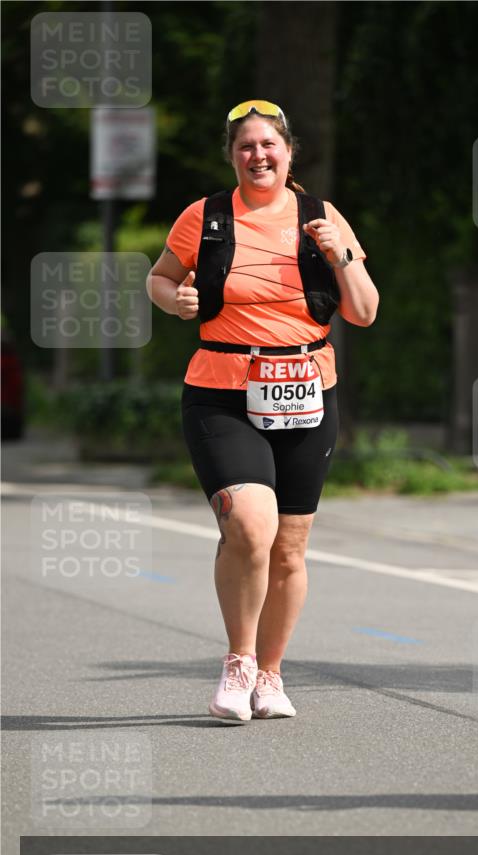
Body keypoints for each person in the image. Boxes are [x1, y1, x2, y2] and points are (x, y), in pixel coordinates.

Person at [147, 100, 379, 724]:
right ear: (232, 156)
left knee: (290, 550)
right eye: (246, 146)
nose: (259, 156)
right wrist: (176, 300)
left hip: (307, 389)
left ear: (289, 153)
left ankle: (272, 676)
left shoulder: (323, 219)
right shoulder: (205, 218)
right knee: (251, 526)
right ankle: (239, 661)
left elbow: (363, 311)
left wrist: (343, 256)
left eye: (269, 146)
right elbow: (160, 278)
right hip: (222, 389)